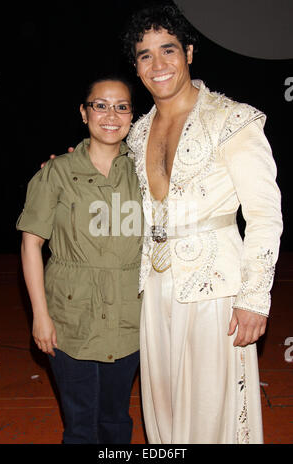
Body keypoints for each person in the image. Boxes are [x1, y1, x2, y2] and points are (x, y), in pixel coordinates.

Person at [120, 3, 283, 444]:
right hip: (155, 286)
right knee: (163, 403)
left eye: (168, 50)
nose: (158, 65)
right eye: (145, 55)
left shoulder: (233, 120)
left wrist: (255, 297)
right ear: (136, 66)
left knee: (214, 409)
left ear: (189, 52)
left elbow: (265, 214)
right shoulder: (137, 132)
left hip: (217, 288)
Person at [16, 76, 143, 444]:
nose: (111, 115)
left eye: (121, 106)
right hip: (70, 318)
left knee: (117, 419)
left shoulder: (145, 173)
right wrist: (40, 316)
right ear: (84, 112)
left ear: (132, 116)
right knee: (81, 425)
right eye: (100, 105)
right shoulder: (55, 173)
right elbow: (30, 244)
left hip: (128, 316)